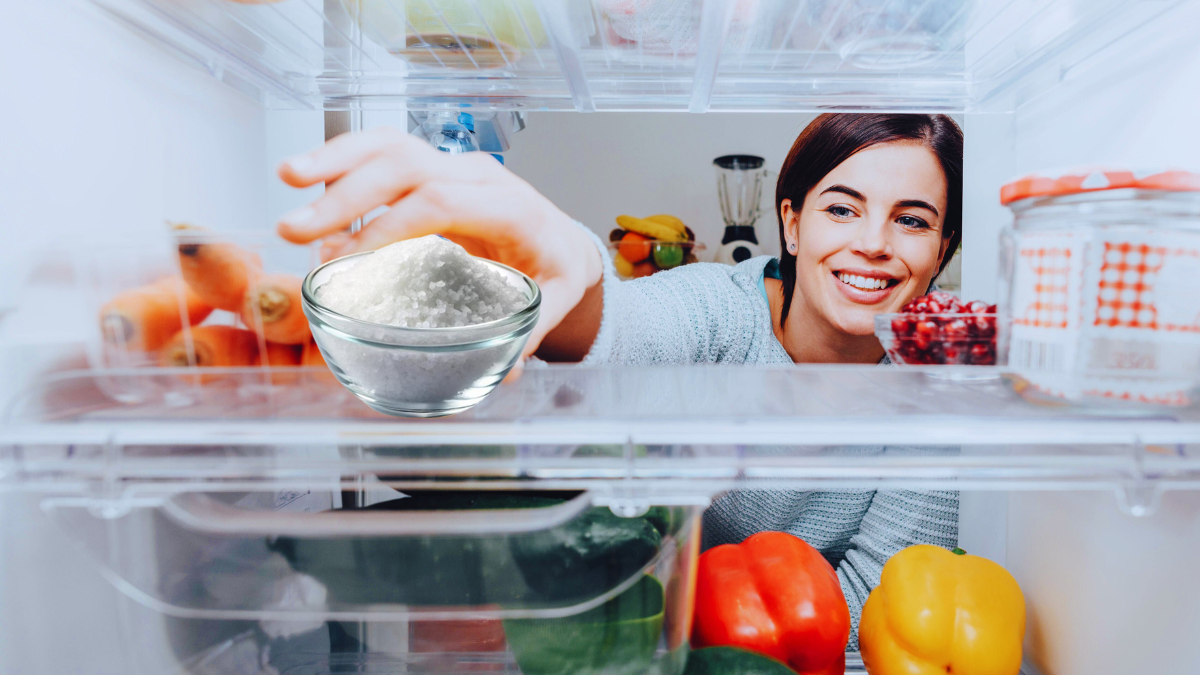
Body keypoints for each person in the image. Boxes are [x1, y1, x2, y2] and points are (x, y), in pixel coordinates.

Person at [276, 113, 962, 647]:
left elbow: (884, 605)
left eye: (911, 220)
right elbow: (626, 329)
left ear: (942, 253)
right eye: (841, 208)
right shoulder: (720, 307)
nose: (874, 241)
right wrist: (568, 263)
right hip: (636, 627)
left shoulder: (935, 392)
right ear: (790, 221)